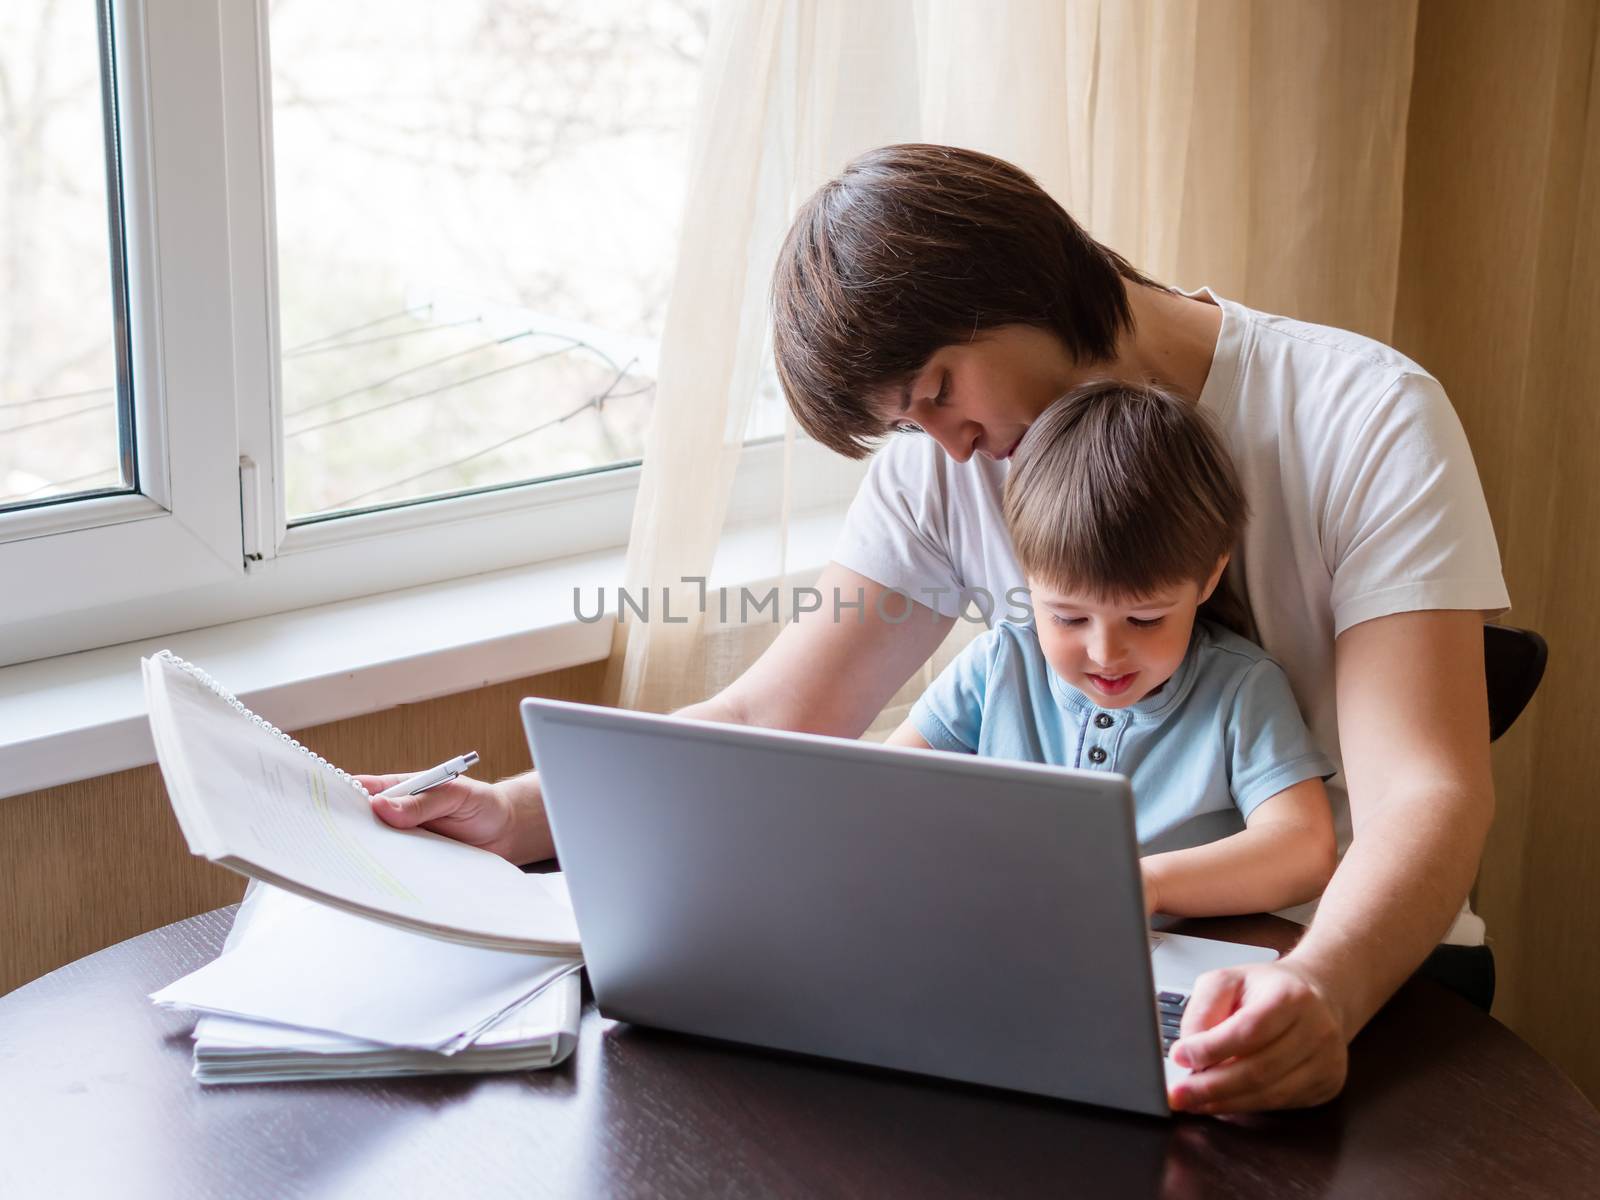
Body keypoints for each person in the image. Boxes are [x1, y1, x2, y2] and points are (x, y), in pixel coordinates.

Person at [360, 144, 1508, 1115]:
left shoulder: (1363, 418)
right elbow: (775, 714)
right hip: (1053, 957)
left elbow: (1422, 795)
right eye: (909, 426)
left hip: (1341, 968)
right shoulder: (954, 460)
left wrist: (1323, 990)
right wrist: (512, 815)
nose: (950, 447)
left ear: (1020, 280)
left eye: (941, 388)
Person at [884, 381, 1337, 921]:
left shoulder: (1241, 689)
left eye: (1145, 620)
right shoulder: (999, 663)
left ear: (1210, 575)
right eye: (1069, 618)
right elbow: (883, 792)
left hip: (1177, 960)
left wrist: (1148, 885)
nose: (1105, 651)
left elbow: (1304, 849)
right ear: (1029, 579)